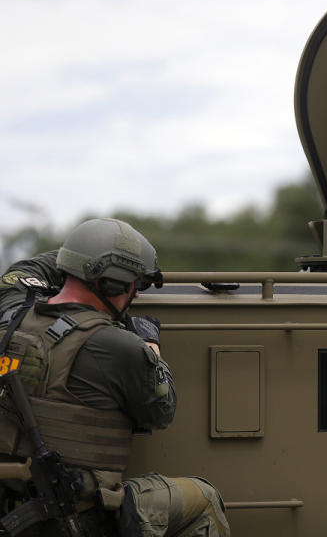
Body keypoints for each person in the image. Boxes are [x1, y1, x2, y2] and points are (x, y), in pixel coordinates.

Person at [0, 218, 230, 536]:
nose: (136, 292)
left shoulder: (12, 313)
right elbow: (162, 411)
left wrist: (81, 255)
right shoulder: (119, 346)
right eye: (136, 283)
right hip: (79, 517)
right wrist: (150, 345)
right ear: (114, 285)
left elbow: (30, 268)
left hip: (14, 508)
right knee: (202, 498)